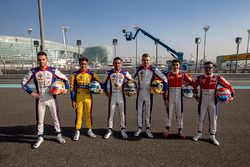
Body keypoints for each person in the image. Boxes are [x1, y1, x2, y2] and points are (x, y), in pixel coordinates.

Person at [21, 51, 69, 149]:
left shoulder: (53, 70)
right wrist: (31, 92)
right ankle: (40, 137)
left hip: (52, 98)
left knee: (55, 117)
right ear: (37, 60)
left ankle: (59, 134)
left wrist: (65, 89)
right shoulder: (33, 71)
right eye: (39, 60)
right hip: (40, 98)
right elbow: (23, 82)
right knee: (40, 119)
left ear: (47, 60)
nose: (41, 61)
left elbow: (65, 79)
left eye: (43, 59)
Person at [192, 61, 235, 146]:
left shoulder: (218, 78)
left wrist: (232, 95)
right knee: (201, 118)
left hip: (213, 102)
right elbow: (193, 85)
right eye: (206, 68)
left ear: (213, 68)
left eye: (210, 67)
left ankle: (212, 136)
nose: (208, 69)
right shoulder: (199, 77)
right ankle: (199, 133)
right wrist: (195, 95)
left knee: (213, 119)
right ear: (204, 69)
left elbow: (228, 85)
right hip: (202, 101)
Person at [133, 53, 168, 138]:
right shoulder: (138, 69)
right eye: (144, 60)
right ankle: (139, 128)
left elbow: (164, 78)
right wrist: (132, 87)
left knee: (148, 112)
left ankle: (148, 129)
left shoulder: (154, 69)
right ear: (142, 60)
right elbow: (130, 79)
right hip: (140, 93)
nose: (146, 62)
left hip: (149, 93)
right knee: (140, 111)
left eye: (147, 60)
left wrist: (163, 89)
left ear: (150, 60)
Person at [70, 57, 102, 141]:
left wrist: (100, 89)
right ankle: (77, 131)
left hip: (88, 97)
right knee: (79, 114)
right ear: (79, 64)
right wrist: (73, 100)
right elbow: (72, 88)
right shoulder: (75, 74)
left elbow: (100, 82)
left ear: (87, 64)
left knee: (88, 114)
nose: (83, 65)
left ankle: (89, 130)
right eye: (81, 64)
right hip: (79, 97)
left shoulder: (91, 74)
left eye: (85, 64)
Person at [102, 57, 133, 139]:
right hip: (112, 96)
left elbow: (132, 82)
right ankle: (109, 129)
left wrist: (129, 91)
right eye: (115, 63)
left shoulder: (125, 72)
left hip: (121, 96)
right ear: (113, 63)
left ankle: (123, 129)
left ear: (121, 64)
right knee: (111, 113)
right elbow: (103, 83)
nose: (117, 64)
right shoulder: (109, 72)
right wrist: (106, 92)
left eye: (118, 63)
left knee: (122, 113)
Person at [162, 59, 193, 139]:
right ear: (171, 66)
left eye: (177, 65)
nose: (175, 66)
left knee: (180, 114)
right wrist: (165, 98)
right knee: (169, 113)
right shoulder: (167, 74)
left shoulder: (183, 74)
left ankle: (180, 130)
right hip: (170, 95)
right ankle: (167, 130)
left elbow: (192, 82)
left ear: (179, 65)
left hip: (179, 95)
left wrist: (187, 84)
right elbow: (162, 85)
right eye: (174, 65)